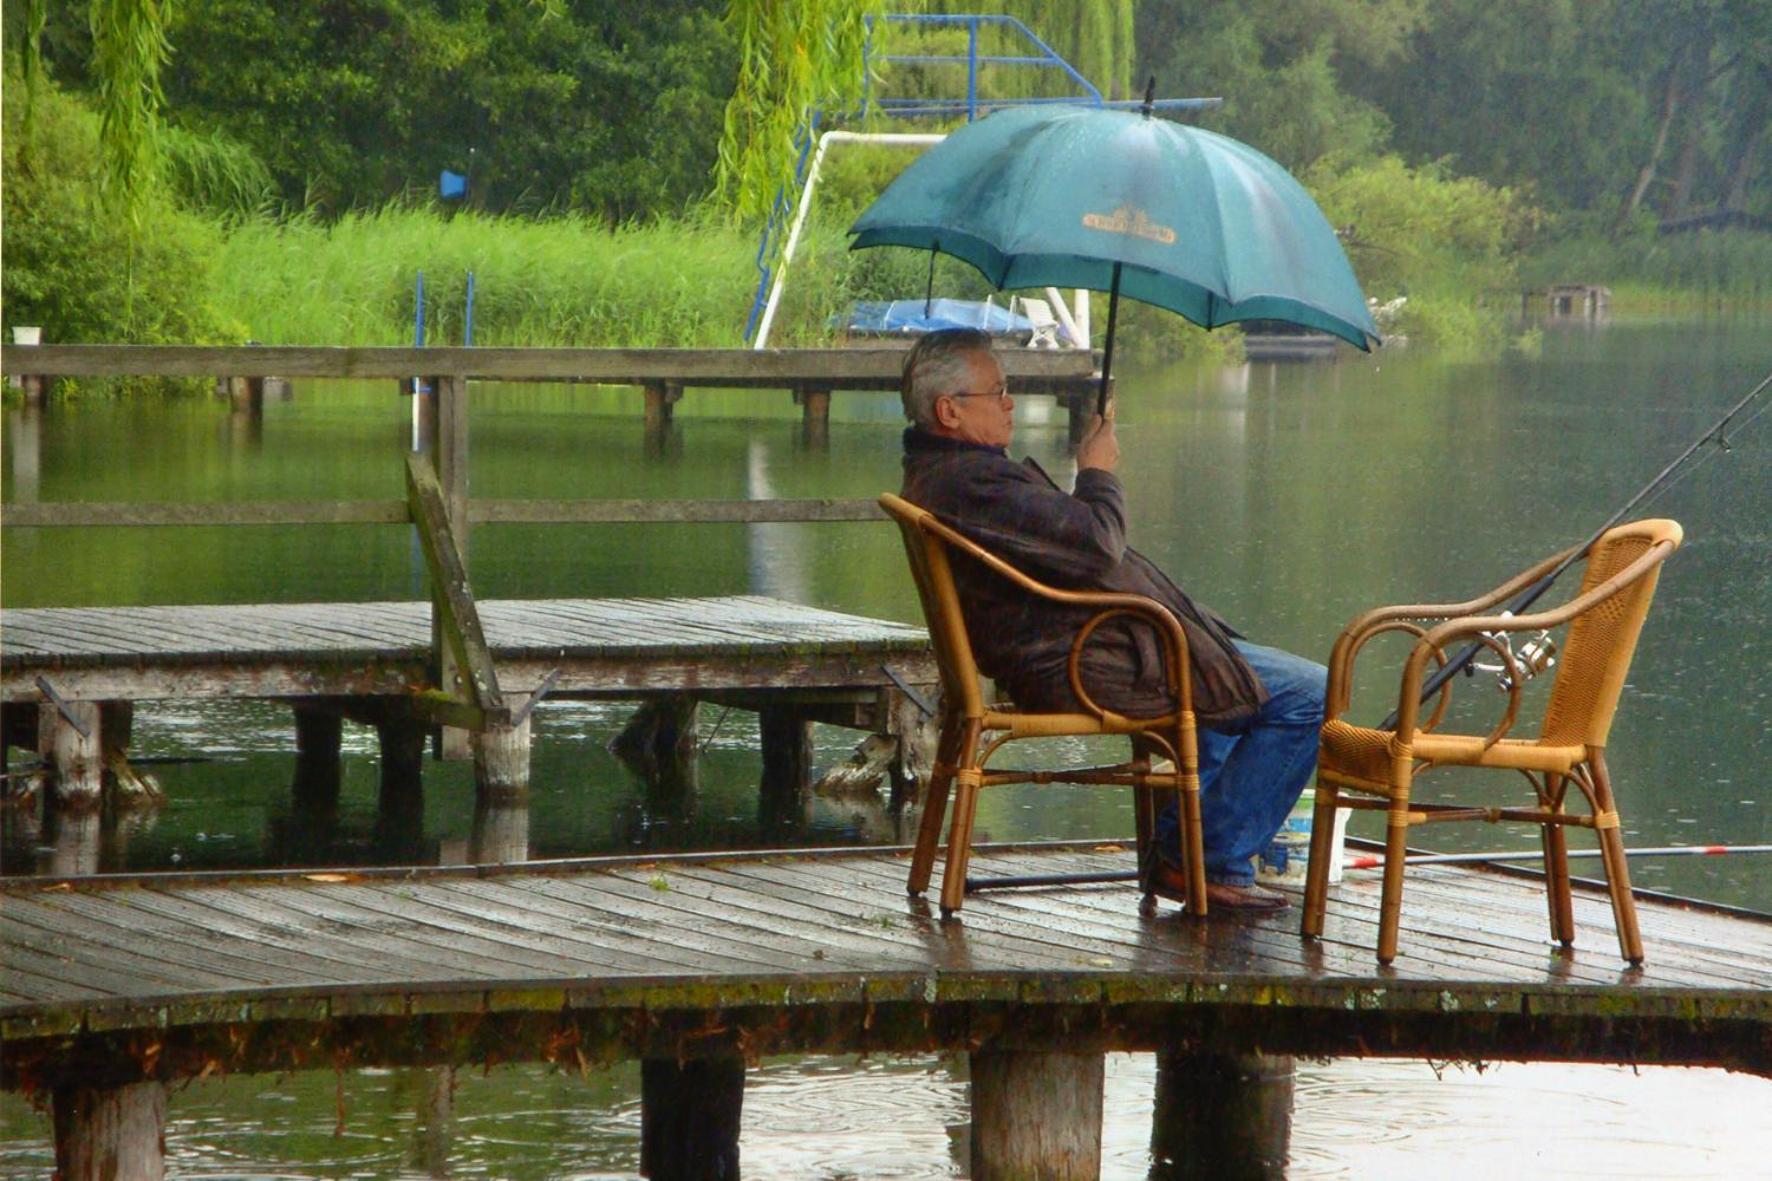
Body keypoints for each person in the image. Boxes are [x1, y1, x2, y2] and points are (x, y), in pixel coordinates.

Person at [897, 328, 1325, 911]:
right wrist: (1097, 472)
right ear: (949, 410)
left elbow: (1068, 546)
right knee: (1310, 693)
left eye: (1008, 388)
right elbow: (1098, 543)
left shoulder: (951, 474)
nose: (1009, 403)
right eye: (996, 391)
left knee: (1223, 682)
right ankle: (1205, 857)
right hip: (1085, 659)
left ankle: (1188, 853)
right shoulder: (972, 482)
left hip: (1092, 642)